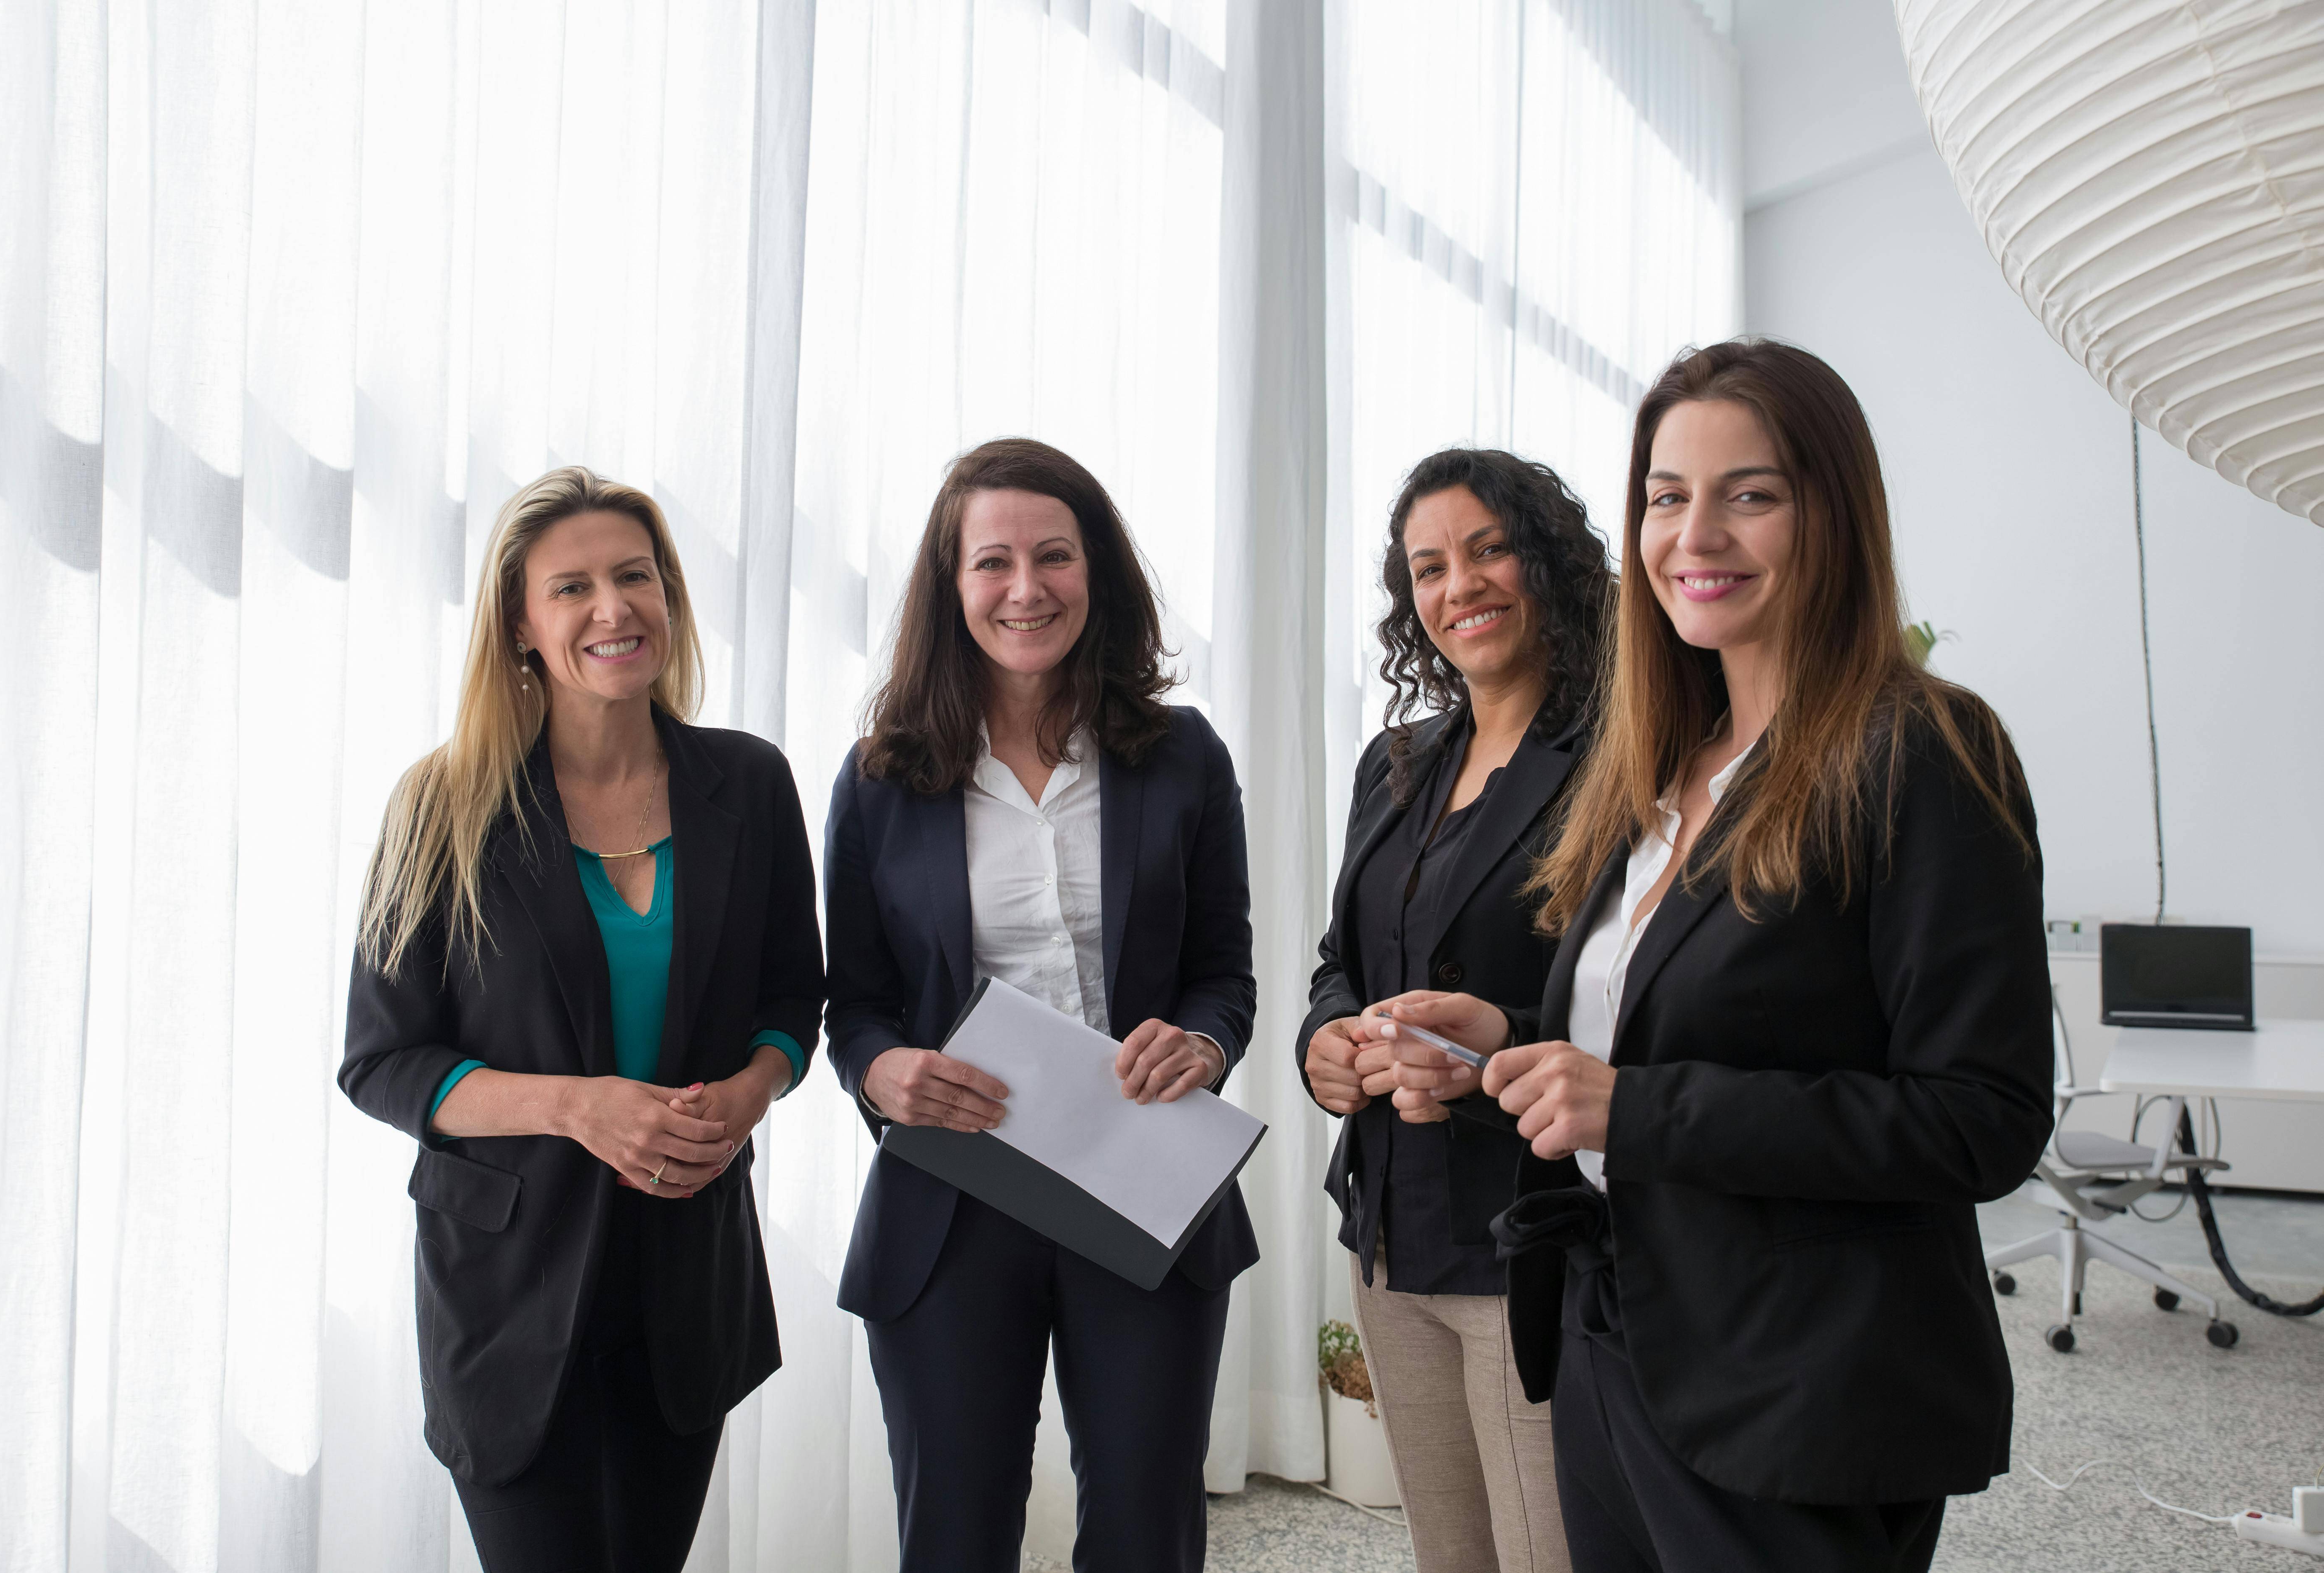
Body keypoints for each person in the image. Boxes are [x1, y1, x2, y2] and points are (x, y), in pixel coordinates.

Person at [1376, 340, 2052, 1573]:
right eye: (1666, 496)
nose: (1698, 536)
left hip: (1797, 1377)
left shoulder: (1923, 751)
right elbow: (1691, 1036)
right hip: (1612, 1340)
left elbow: (1982, 1122)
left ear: (1832, 511)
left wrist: (1633, 1109)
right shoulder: (1660, 768)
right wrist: (1518, 1051)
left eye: (1752, 494)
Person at [340, 466, 823, 1573]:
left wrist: (752, 1092)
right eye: (573, 588)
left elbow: (793, 998)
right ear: (520, 622)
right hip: (507, 1289)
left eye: (634, 576)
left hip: (686, 1273)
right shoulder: (442, 803)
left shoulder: (748, 785)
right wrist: (580, 1109)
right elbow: (382, 1062)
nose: (614, 609)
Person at [824, 437, 1257, 1573]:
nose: (1027, 589)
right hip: (954, 1193)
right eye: (994, 562)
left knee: (1145, 1527)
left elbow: (1226, 969)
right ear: (951, 585)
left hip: (1144, 1173)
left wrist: (1205, 1041)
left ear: (1097, 574)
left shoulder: (1183, 756)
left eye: (1054, 557)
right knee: (956, 1532)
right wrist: (881, 1072)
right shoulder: (881, 776)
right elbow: (856, 1002)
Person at [1297, 449, 1610, 1573]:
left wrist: (1498, 1050)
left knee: (1546, 1552)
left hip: (1528, 1231)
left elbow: (1638, 996)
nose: (1460, 586)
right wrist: (1324, 1046)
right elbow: (1344, 959)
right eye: (1429, 567)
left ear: (1549, 561)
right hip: (1389, 1227)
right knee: (1449, 1552)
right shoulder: (1398, 762)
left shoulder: (1620, 757)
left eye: (1487, 550)